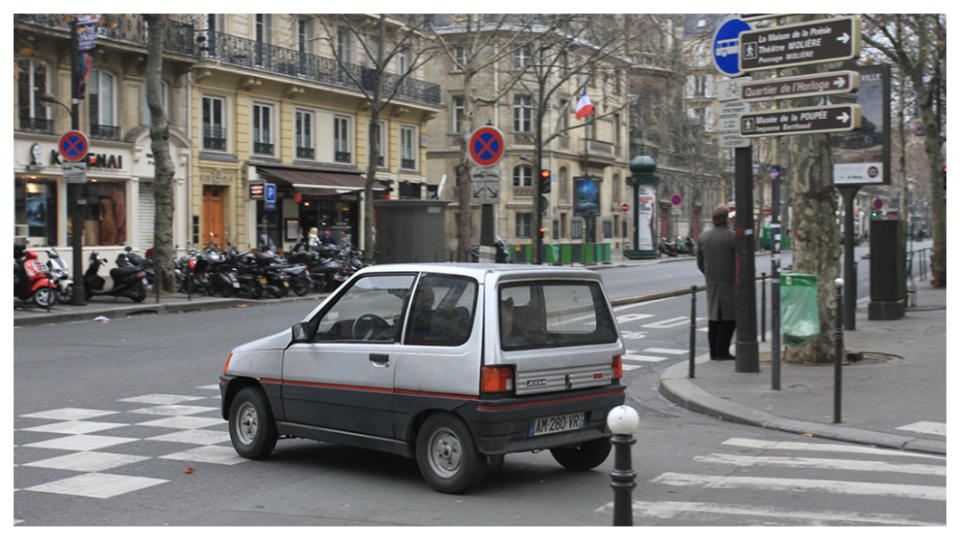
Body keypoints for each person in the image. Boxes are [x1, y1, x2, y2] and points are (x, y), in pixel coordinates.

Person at [697, 205, 737, 360]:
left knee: (714, 318)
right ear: (727, 219)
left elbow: (700, 263)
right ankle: (723, 351)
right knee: (729, 318)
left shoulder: (703, 237)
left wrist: (709, 274)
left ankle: (714, 351)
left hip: (712, 283)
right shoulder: (733, 236)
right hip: (730, 282)